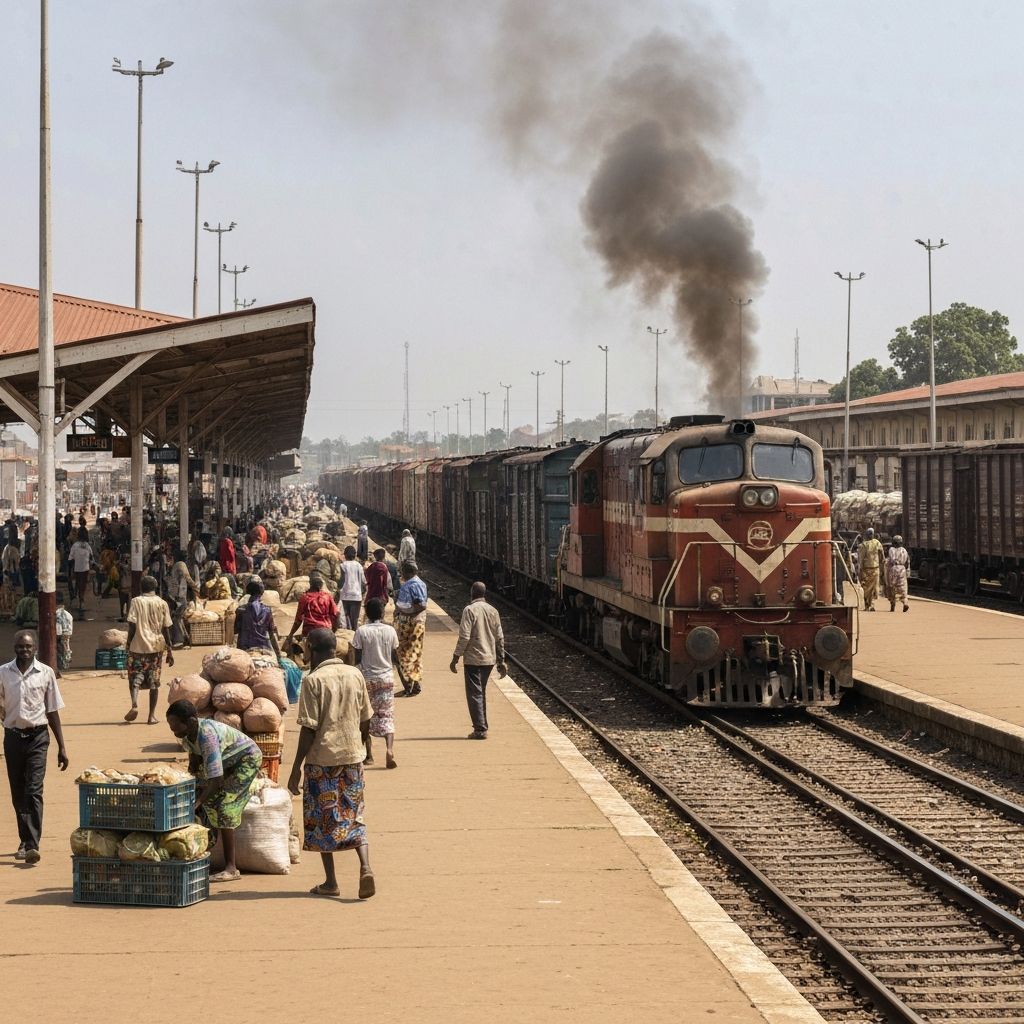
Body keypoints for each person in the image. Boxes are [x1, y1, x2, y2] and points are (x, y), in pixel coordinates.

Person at [287, 627, 376, 899]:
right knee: (354, 813)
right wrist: (360, 744)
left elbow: (308, 729)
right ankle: (365, 866)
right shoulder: (355, 674)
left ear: (314, 650)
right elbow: (366, 718)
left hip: (322, 760)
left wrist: (295, 770)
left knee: (321, 818)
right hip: (351, 758)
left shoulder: (313, 681)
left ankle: (331, 882)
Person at [166, 699, 262, 883]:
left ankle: (231, 867)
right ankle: (204, 852)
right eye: (171, 725)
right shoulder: (188, 736)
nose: (173, 730)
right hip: (227, 760)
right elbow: (195, 761)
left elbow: (216, 780)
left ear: (191, 721)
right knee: (207, 800)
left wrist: (196, 803)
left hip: (246, 759)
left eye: (175, 725)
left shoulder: (207, 736)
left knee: (225, 807)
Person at [0, 631, 69, 863]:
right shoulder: (3, 673)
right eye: (20, 647)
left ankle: (32, 844)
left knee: (33, 790)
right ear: (15, 648)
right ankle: (24, 839)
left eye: (28, 647)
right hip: (12, 738)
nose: (24, 651)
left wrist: (62, 746)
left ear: (35, 648)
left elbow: (52, 711)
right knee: (18, 792)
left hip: (38, 737)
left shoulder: (46, 673)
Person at [450, 582, 507, 739]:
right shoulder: (493, 611)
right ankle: (482, 724)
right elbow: (500, 637)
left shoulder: (469, 610)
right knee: (480, 692)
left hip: (474, 658)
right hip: (489, 659)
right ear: (484, 594)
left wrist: (456, 656)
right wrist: (501, 661)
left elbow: (465, 636)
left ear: (472, 593)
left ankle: (480, 729)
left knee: (475, 693)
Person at [352, 598, 401, 769]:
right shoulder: (390, 631)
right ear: (381, 613)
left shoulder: (361, 631)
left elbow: (357, 657)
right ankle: (389, 749)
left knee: (365, 716)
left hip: (367, 679)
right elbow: (395, 656)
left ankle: (369, 755)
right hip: (386, 678)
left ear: (367, 613)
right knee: (387, 715)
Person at [125, 575, 174, 724]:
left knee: (135, 677)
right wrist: (170, 649)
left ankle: (134, 703)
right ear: (155, 588)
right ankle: (151, 716)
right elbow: (166, 628)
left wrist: (128, 643)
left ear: (141, 587)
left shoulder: (136, 601)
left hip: (137, 646)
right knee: (154, 681)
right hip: (156, 646)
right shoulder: (162, 603)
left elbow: (132, 625)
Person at [284, 573, 341, 662]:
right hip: (326, 630)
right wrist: (333, 631)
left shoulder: (305, 598)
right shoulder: (327, 597)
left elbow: (298, 620)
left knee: (309, 660)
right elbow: (336, 615)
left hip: (310, 632)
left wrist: (291, 634)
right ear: (321, 586)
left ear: (310, 585)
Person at [394, 562, 428, 696]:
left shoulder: (415, 584)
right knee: (409, 654)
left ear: (407, 572)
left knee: (406, 655)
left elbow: (421, 605)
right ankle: (413, 685)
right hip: (408, 623)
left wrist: (405, 612)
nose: (401, 574)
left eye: (402, 571)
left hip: (412, 625)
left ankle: (411, 687)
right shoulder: (412, 583)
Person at [234, 578, 286, 661]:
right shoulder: (267, 610)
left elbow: (236, 630)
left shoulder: (240, 610)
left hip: (244, 649)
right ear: (261, 593)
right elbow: (271, 634)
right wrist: (278, 656)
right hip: (263, 648)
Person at [168, 550, 201, 648]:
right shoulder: (181, 564)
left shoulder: (177, 565)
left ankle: (181, 640)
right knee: (178, 618)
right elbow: (188, 578)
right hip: (179, 596)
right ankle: (184, 639)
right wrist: (196, 588)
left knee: (177, 618)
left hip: (178, 596)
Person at [337, 545, 367, 631]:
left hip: (345, 595)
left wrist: (338, 588)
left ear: (345, 555)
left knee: (346, 617)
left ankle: (348, 633)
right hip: (357, 595)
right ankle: (354, 633)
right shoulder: (359, 566)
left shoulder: (343, 565)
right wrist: (363, 591)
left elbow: (341, 580)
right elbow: (364, 581)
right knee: (355, 619)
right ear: (355, 555)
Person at [858, 528, 884, 612]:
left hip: (868, 569)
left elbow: (861, 559)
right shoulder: (876, 543)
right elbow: (882, 555)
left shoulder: (864, 545)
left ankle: (870, 605)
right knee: (871, 588)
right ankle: (868, 604)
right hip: (873, 569)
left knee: (869, 588)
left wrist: (860, 569)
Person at [886, 535, 911, 613]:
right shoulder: (904, 550)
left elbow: (890, 560)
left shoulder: (891, 549)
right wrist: (907, 571)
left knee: (892, 587)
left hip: (893, 569)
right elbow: (908, 562)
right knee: (903, 587)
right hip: (902, 569)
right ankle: (905, 602)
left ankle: (893, 605)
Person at [55, 594, 73, 674]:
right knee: (66, 650)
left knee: (60, 655)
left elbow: (58, 632)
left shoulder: (57, 614)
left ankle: (60, 670)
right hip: (67, 636)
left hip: (59, 638)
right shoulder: (68, 614)